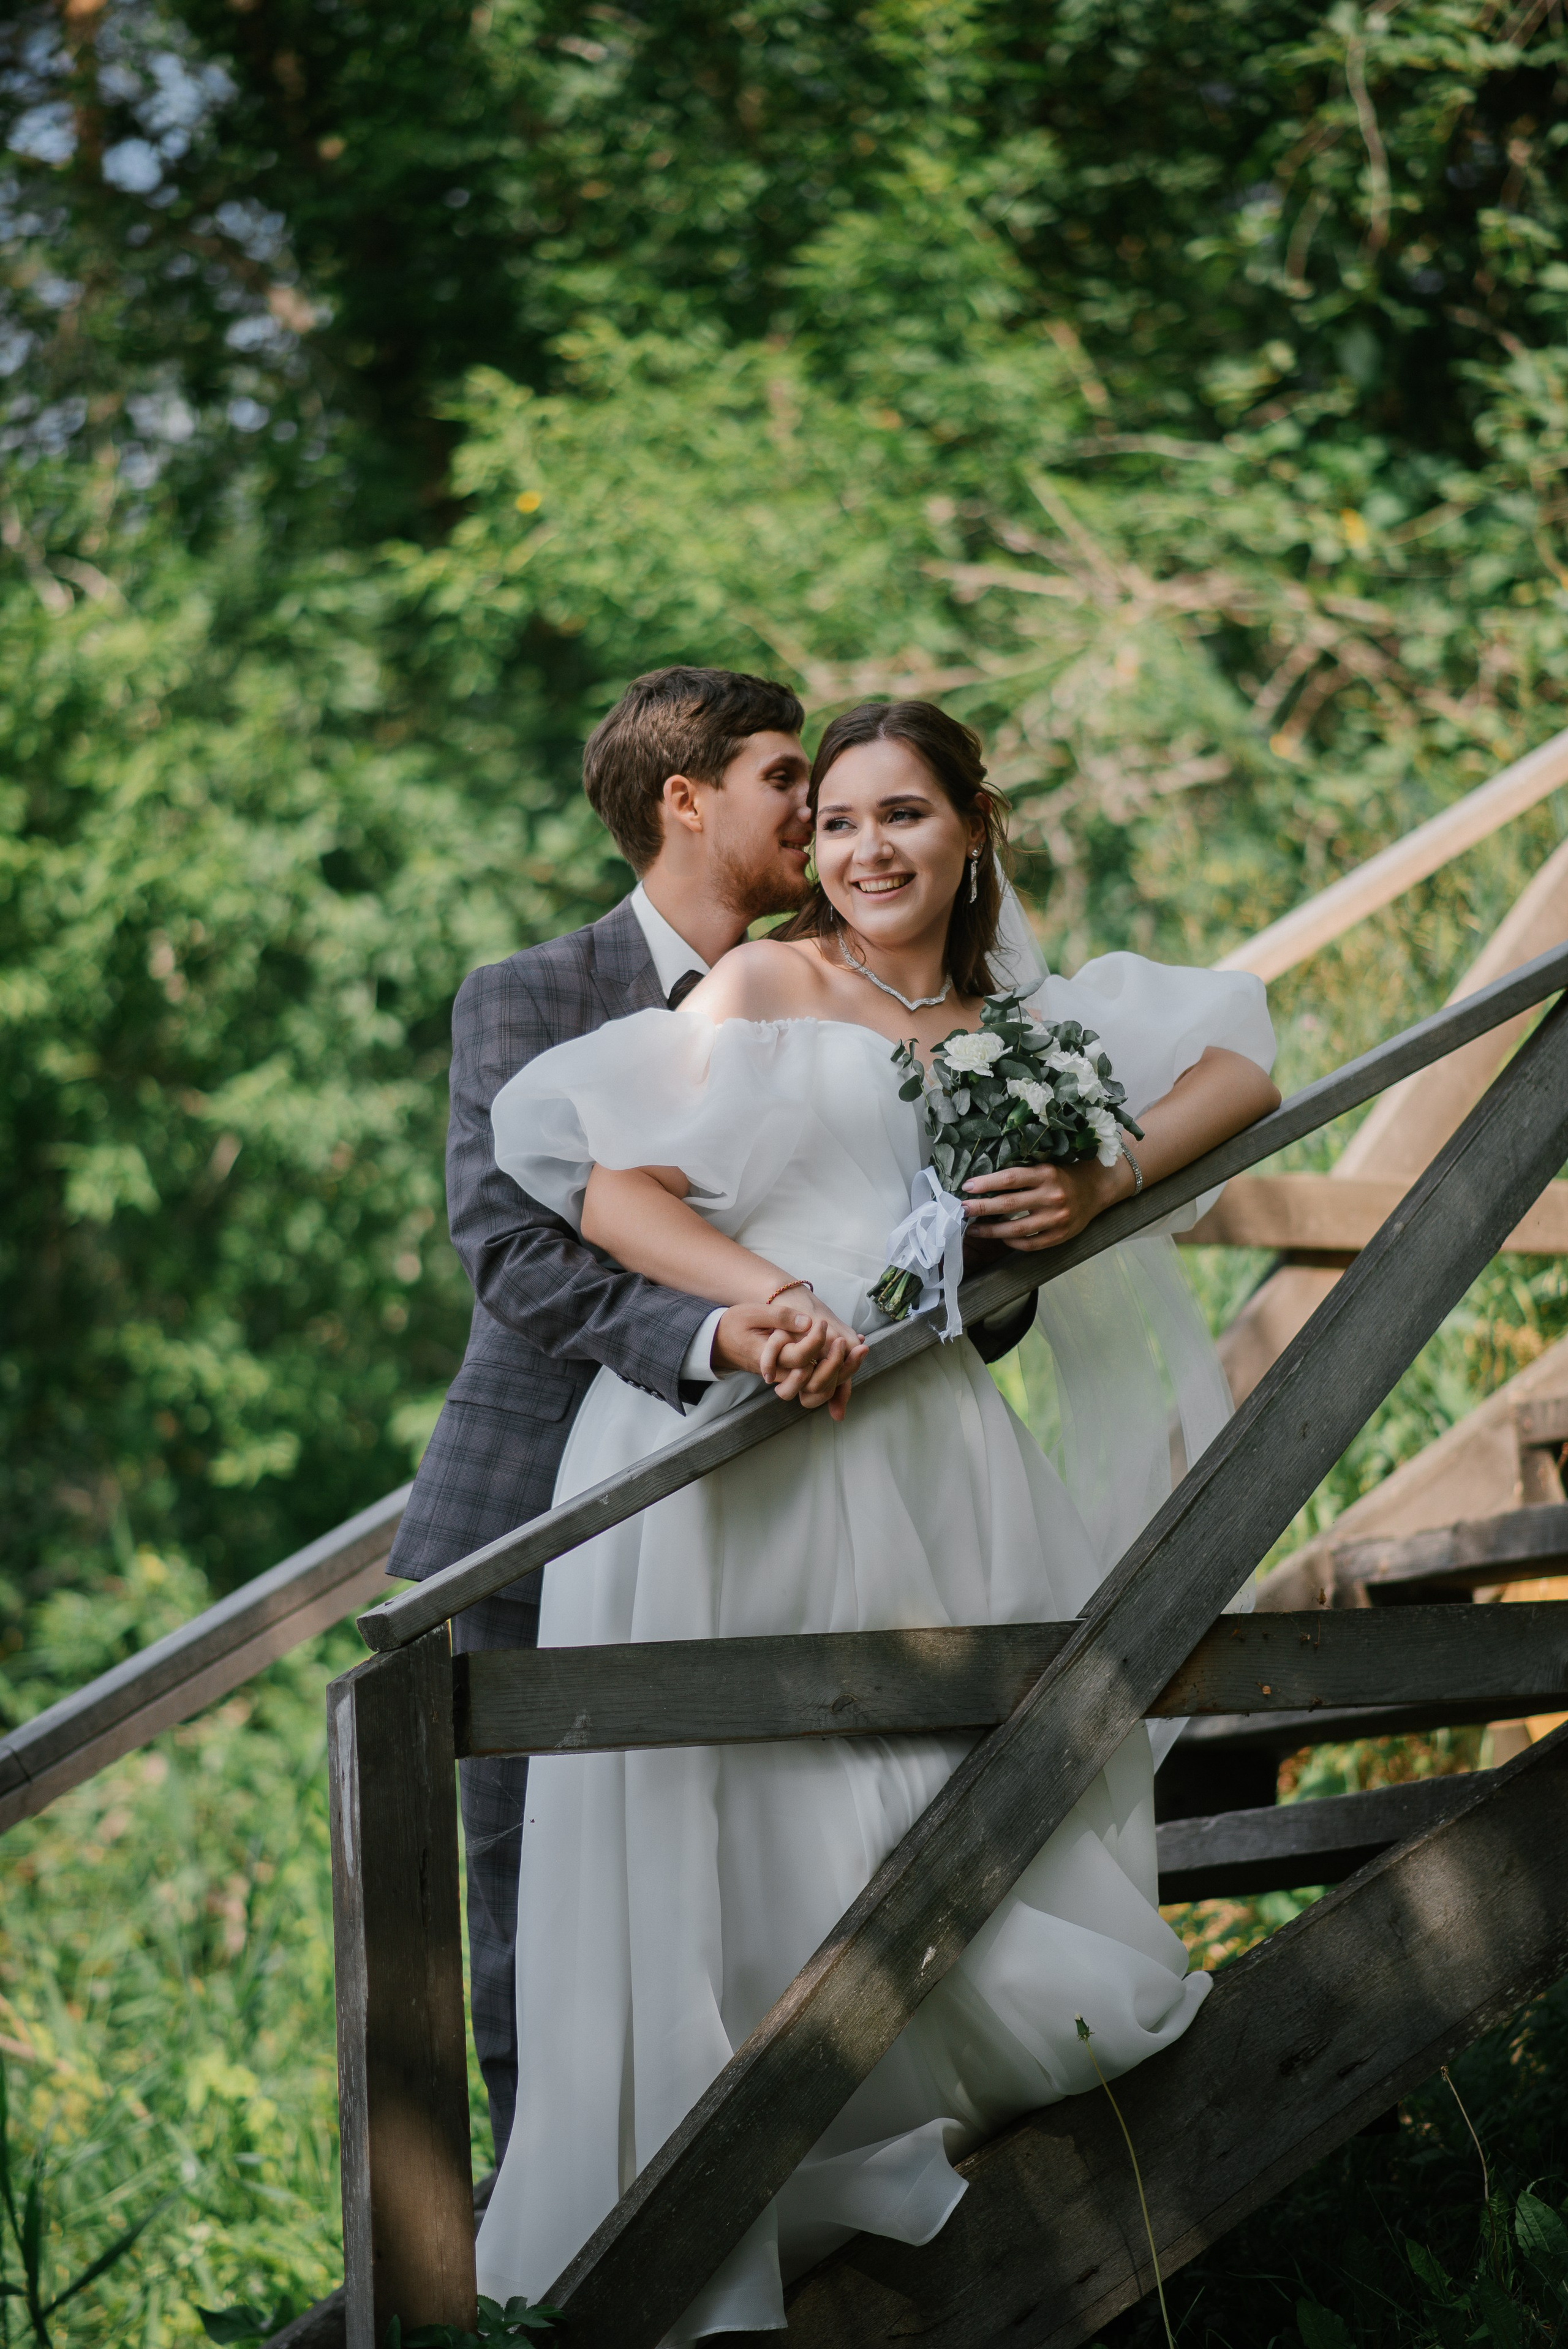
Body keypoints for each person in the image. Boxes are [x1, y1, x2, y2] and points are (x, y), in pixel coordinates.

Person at [473, 698, 1280, 2336]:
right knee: (743, 1802)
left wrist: (1105, 1184)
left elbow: (1242, 1061)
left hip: (922, 1440)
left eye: (901, 814)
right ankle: (712, 2193)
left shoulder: (1015, 1023)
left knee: (927, 1790)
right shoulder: (768, 983)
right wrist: (763, 1299)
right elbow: (593, 1172)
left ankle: (883, 2115)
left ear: (972, 824)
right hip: (747, 1432)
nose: (864, 849)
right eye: (834, 822)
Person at [388, 667, 1036, 2162]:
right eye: (779, 775)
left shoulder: (858, 977)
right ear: (683, 802)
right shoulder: (529, 993)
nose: (816, 807)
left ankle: (783, 2164)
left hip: (794, 1514)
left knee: (769, 1863)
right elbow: (512, 1244)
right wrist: (718, 1330)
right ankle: (544, 2230)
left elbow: (936, 1240)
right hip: (535, 1507)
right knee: (521, 1896)